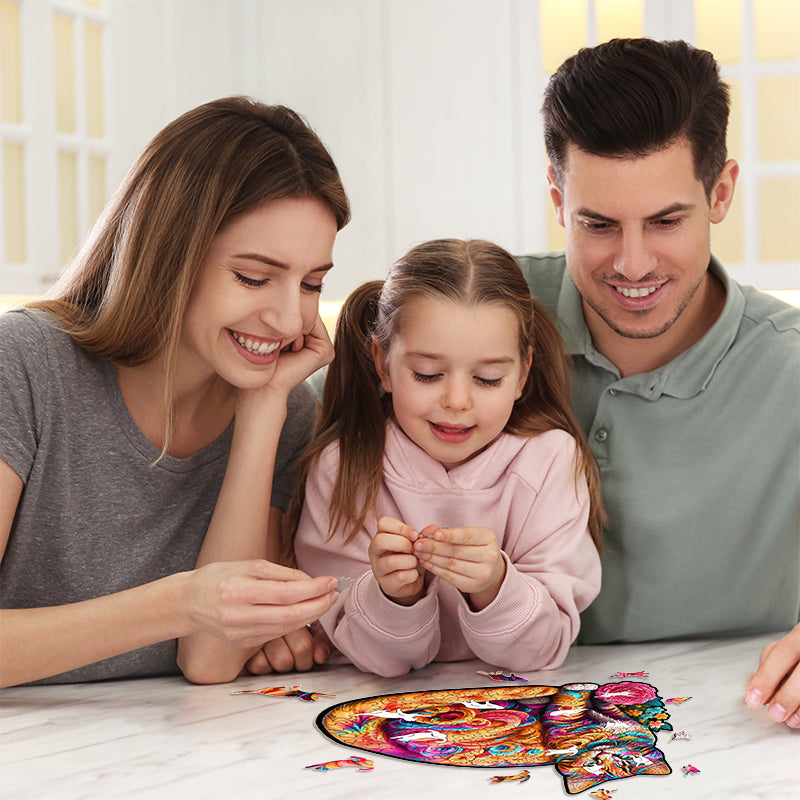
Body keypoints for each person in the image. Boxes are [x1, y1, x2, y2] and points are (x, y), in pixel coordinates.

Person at [0, 97, 351, 688]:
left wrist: (264, 409)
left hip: (158, 753)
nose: (291, 319)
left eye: (313, 283)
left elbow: (212, 661)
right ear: (168, 254)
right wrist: (184, 600)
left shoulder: (286, 407)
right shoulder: (25, 365)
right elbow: (201, 610)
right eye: (254, 278)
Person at [515, 38, 800, 727]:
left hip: (729, 733)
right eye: (599, 224)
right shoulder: (476, 314)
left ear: (721, 192)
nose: (633, 263)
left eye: (667, 221)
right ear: (558, 200)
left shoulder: (791, 368)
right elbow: (305, 431)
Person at [292, 238, 604, 678]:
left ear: (522, 374)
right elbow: (366, 652)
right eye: (427, 374)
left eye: (488, 378)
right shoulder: (342, 467)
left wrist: (495, 585)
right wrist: (394, 598)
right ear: (382, 363)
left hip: (511, 711)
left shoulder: (549, 461)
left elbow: (541, 651)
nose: (457, 401)